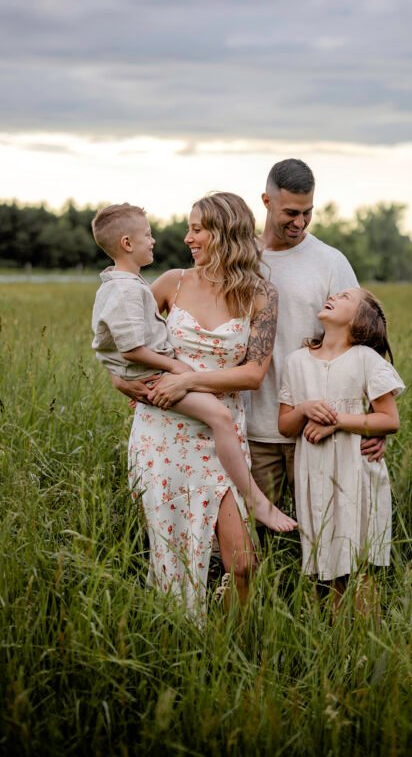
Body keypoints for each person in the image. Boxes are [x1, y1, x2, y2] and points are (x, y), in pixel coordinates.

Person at [112, 192, 295, 613]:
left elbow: (252, 373)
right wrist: (123, 384)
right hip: (162, 436)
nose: (188, 237)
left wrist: (189, 380)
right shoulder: (170, 283)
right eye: (190, 228)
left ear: (225, 234)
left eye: (197, 229)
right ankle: (182, 641)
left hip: (222, 440)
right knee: (173, 554)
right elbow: (121, 344)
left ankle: (233, 646)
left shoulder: (260, 295)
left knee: (243, 563)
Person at [246, 158, 385, 508]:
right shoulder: (240, 258)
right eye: (291, 212)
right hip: (249, 427)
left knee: (322, 530)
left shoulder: (330, 262)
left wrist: (372, 422)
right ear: (267, 201)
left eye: (308, 212)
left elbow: (363, 341)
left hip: (315, 426)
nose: (300, 222)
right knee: (257, 535)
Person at [278, 288, 404, 607]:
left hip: (355, 471)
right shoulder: (296, 362)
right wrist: (304, 408)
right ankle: (332, 639)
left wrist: (338, 421)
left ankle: (363, 639)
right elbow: (285, 425)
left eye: (346, 297)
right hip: (314, 473)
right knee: (325, 560)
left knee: (358, 559)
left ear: (361, 318)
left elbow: (389, 420)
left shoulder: (365, 359)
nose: (334, 296)